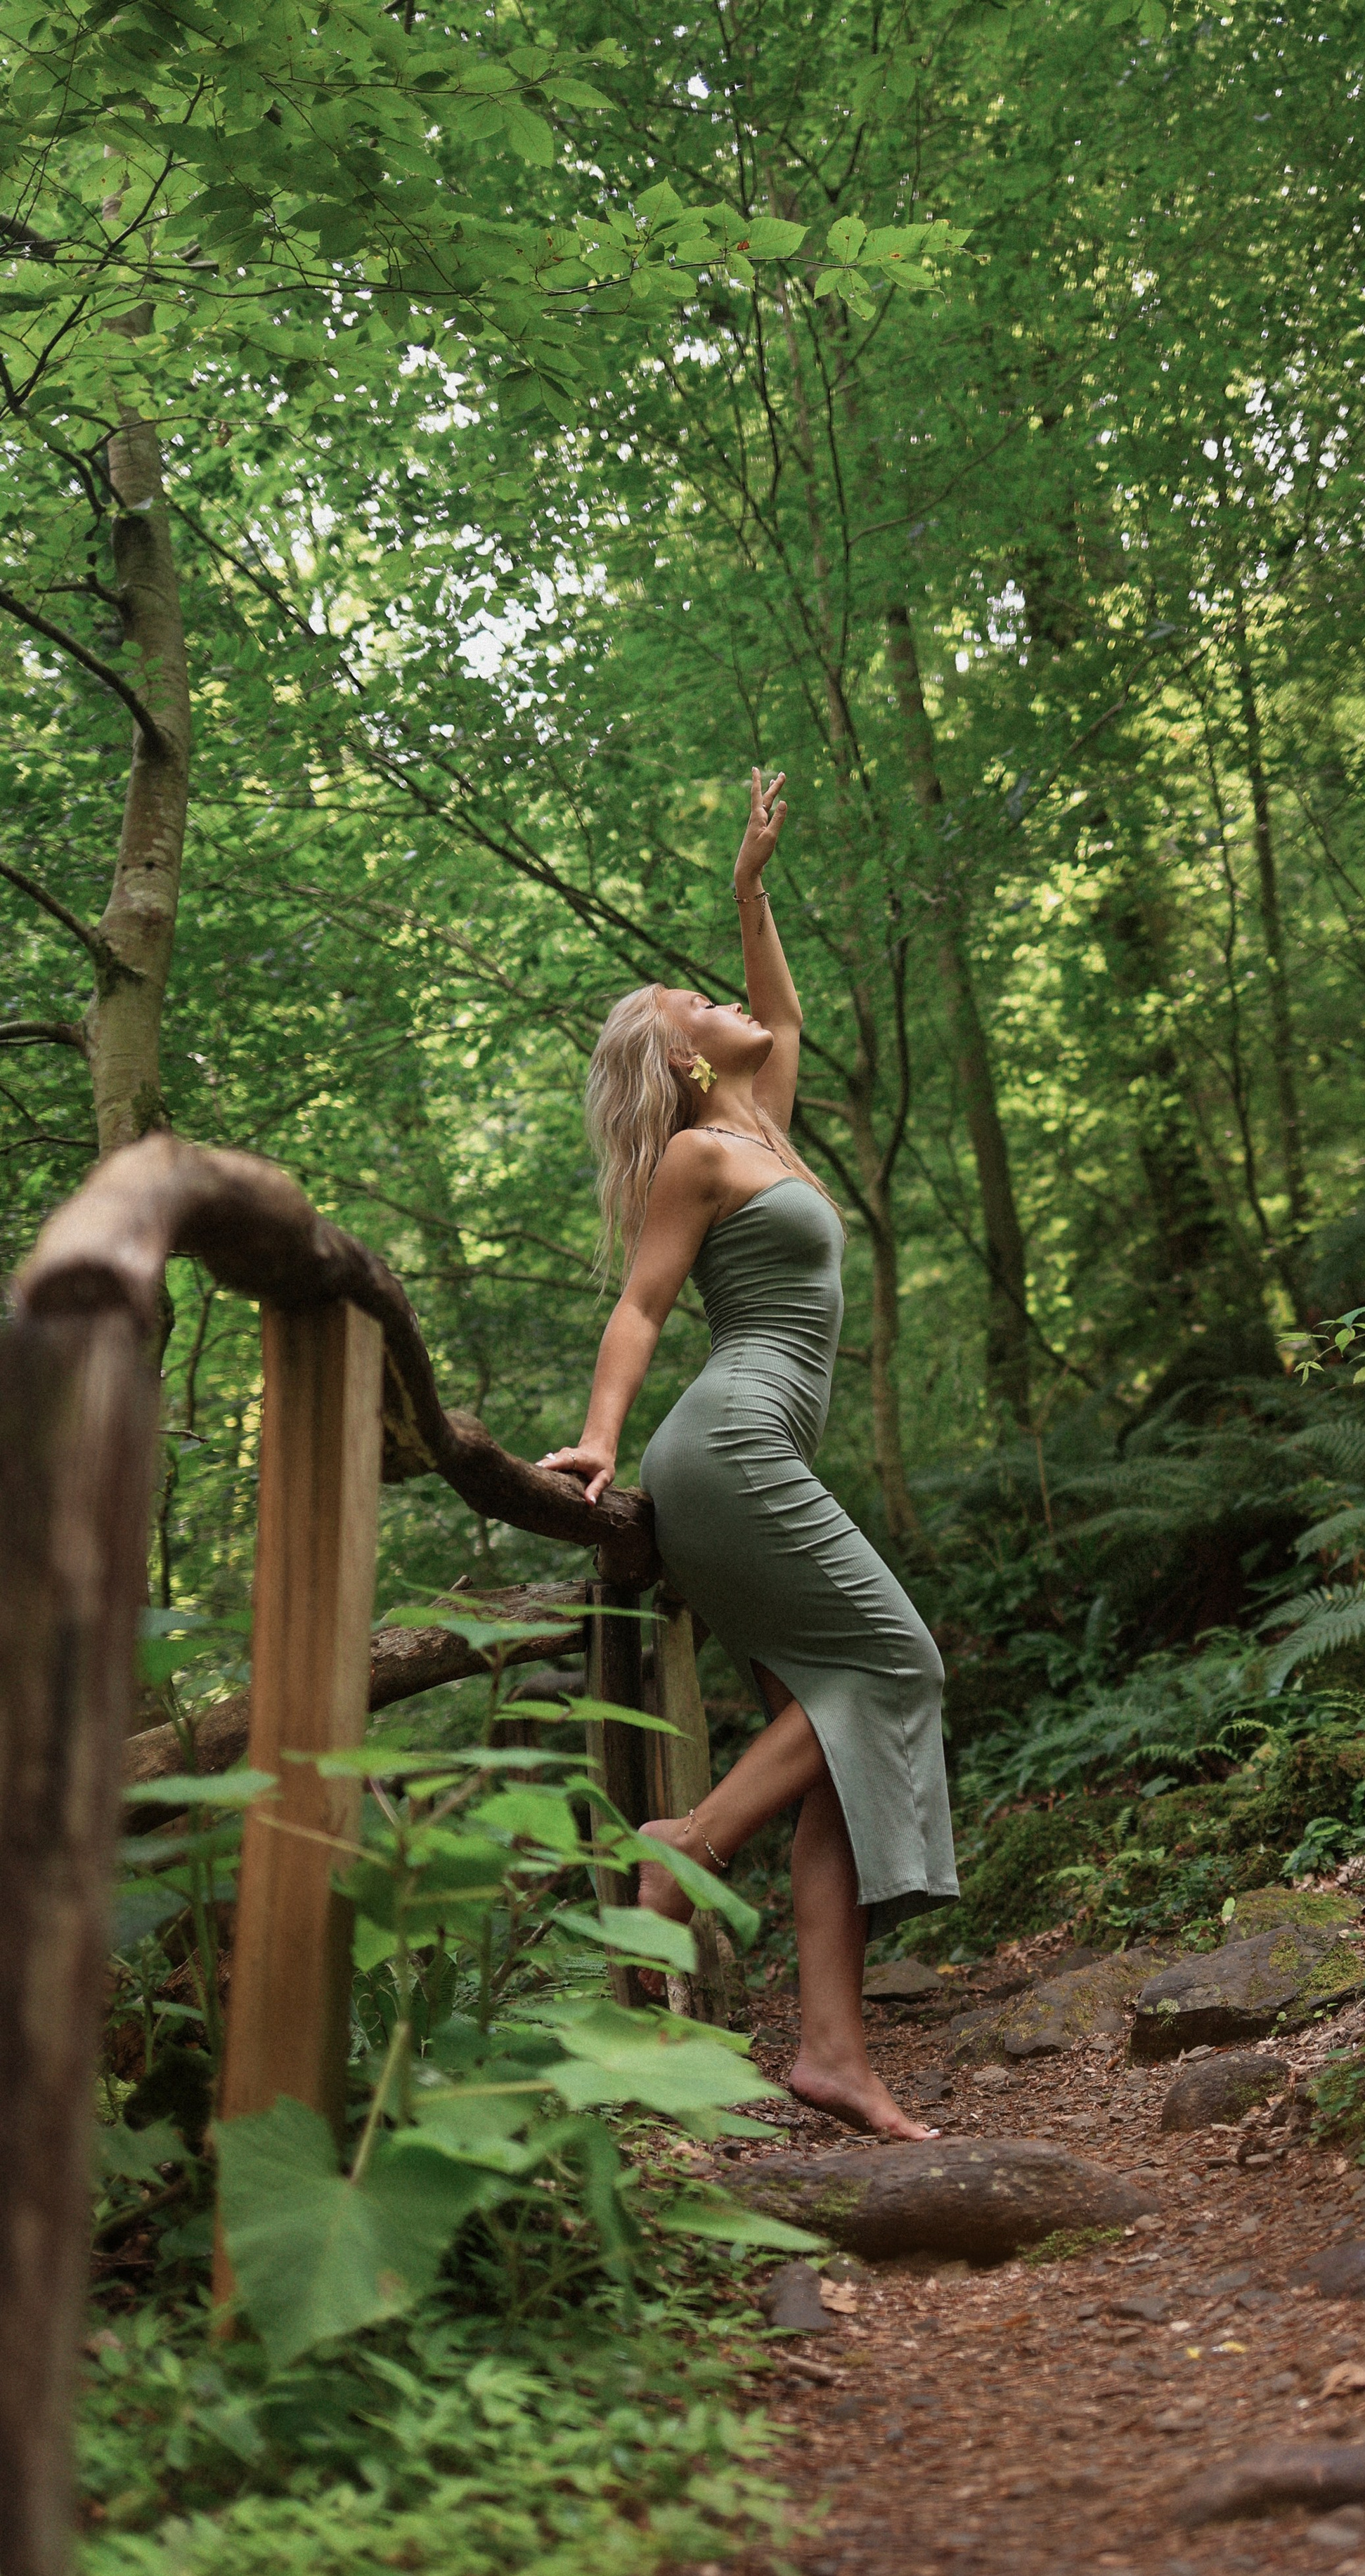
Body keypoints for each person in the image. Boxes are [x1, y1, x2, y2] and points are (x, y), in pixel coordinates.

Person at [541, 767, 958, 2140]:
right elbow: (641, 1307)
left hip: (762, 1448)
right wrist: (599, 1441)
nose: (715, 999)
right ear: (677, 1062)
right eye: (690, 1006)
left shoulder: (759, 1118)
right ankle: (687, 1847)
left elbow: (778, 1012)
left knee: (834, 1736)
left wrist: (749, 888)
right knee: (897, 1665)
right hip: (723, 1448)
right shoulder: (697, 1164)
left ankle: (830, 2051)